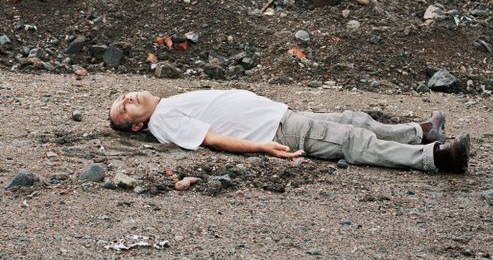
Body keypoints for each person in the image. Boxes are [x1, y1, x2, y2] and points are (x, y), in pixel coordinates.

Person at [109, 88, 470, 174]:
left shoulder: (167, 104)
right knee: (353, 141)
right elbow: (211, 140)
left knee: (355, 120)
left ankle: (422, 131)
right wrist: (262, 148)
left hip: (283, 115)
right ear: (138, 125)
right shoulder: (163, 121)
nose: (126, 98)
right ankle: (435, 159)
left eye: (122, 97)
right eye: (123, 108)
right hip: (280, 130)